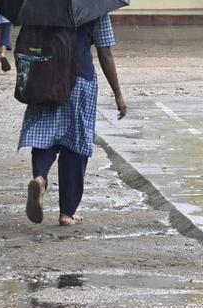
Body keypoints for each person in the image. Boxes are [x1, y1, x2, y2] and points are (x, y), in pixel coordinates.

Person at [20, 15, 127, 226]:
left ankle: (40, 179)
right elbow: (105, 53)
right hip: (79, 80)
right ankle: (66, 213)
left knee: (45, 136)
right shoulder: (94, 3)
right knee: (76, 145)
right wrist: (117, 93)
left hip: (44, 77)